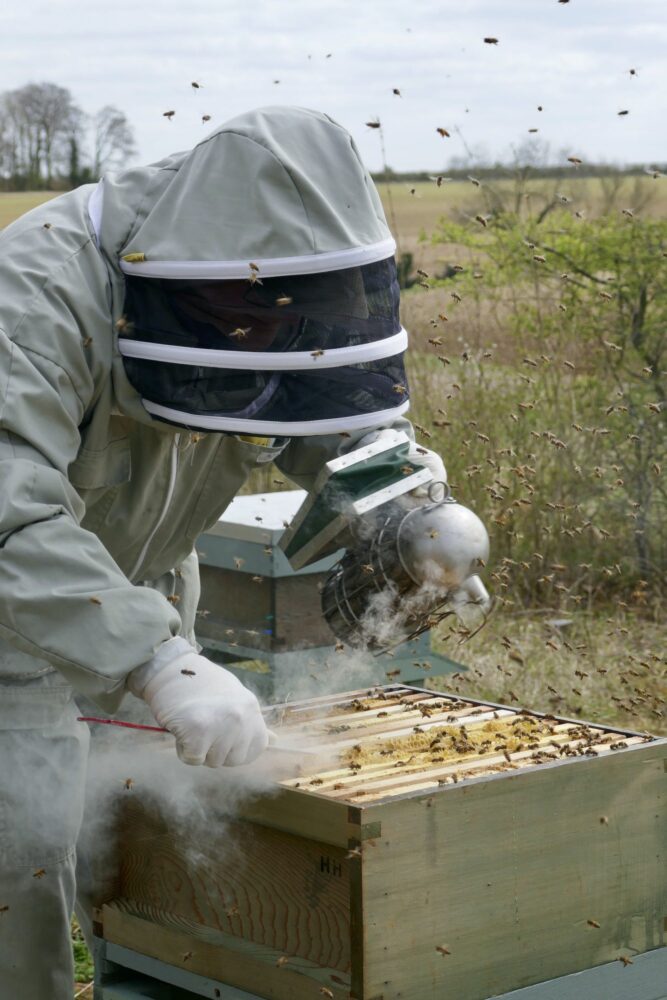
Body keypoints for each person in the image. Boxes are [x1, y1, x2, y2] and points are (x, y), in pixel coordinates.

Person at [0, 105, 446, 997]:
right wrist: (157, 658)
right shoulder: (29, 302)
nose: (263, 335)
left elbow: (322, 398)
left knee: (148, 832)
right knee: (22, 850)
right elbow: (9, 515)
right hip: (16, 618)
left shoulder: (247, 293)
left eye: (281, 316)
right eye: (246, 318)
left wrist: (408, 509)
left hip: (147, 590)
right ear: (182, 285)